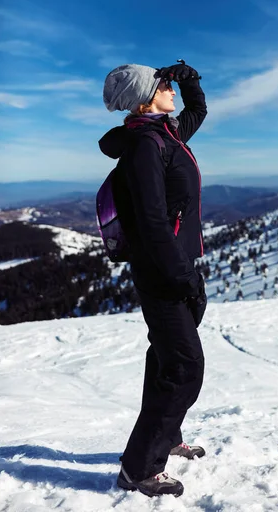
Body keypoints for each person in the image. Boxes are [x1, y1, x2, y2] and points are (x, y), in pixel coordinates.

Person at [99, 62, 208, 498]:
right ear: (145, 97)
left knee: (167, 358)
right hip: (164, 274)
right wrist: (182, 277)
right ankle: (138, 468)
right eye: (164, 85)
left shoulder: (166, 133)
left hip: (178, 269)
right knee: (185, 369)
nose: (172, 91)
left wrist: (188, 79)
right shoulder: (146, 145)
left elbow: (197, 112)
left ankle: (167, 435)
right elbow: (151, 223)